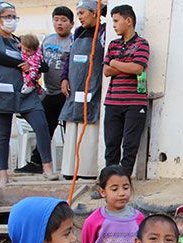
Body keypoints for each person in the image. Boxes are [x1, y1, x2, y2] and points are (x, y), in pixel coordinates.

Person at [0, 0, 57, 184]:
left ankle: (47, 167)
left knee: (41, 125)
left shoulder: (18, 41)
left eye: (14, 16)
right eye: (7, 16)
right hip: (1, 92)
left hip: (25, 93)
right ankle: (3, 174)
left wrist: (35, 65)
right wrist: (21, 65)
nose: (12, 20)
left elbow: (41, 63)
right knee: (2, 134)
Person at [15, 6, 74, 174]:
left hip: (66, 93)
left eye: (64, 20)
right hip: (50, 92)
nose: (59, 23)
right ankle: (37, 162)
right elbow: (37, 60)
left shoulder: (74, 41)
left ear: (71, 23)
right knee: (45, 127)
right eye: (56, 20)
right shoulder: (47, 40)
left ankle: (69, 165)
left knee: (65, 129)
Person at [59, 0, 106, 179]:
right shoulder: (78, 33)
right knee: (72, 130)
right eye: (78, 14)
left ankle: (86, 171)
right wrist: (64, 77)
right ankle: (70, 171)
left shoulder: (103, 33)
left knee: (89, 128)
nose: (80, 18)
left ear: (94, 13)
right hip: (74, 89)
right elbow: (69, 58)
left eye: (83, 13)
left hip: (92, 89)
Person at [103, 4, 150, 177]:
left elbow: (138, 68)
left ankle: (124, 180)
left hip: (134, 103)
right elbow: (106, 71)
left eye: (116, 21)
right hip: (112, 102)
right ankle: (109, 181)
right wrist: (125, 66)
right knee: (111, 145)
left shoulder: (141, 44)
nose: (113, 25)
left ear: (128, 21)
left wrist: (115, 63)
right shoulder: (113, 44)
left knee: (130, 146)